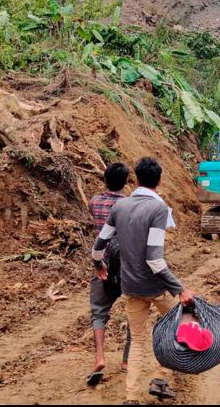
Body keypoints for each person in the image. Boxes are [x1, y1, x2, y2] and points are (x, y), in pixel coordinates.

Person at [93, 157, 195, 405]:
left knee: (138, 341)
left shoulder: (120, 206)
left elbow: (99, 246)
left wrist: (98, 264)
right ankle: (160, 379)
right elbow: (155, 260)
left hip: (130, 286)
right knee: (177, 327)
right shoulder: (159, 209)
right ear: (160, 181)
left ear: (136, 179)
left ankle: (131, 398)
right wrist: (180, 289)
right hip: (156, 287)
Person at [87, 162, 132, 387]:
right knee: (135, 310)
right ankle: (126, 360)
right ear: (126, 182)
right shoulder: (130, 205)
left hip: (102, 265)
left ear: (105, 180)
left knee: (99, 312)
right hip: (127, 267)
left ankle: (100, 358)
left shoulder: (94, 202)